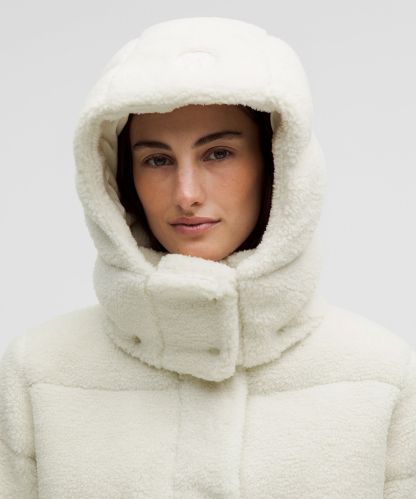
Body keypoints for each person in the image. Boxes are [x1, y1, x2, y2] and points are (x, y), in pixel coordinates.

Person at [0, 16, 415, 498]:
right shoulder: (40, 374)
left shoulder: (381, 377)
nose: (187, 193)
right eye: (157, 160)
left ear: (276, 162)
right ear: (121, 177)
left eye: (218, 153)